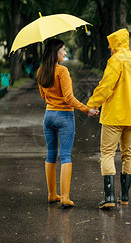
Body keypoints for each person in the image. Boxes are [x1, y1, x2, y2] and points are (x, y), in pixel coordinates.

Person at [87, 28, 131, 209]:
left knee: (107, 153)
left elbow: (106, 85)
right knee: (129, 153)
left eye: (110, 43)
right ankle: (124, 197)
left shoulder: (116, 60)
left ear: (116, 43)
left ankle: (109, 198)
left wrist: (93, 104)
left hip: (114, 116)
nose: (108, 47)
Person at [37, 38, 98, 208]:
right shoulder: (62, 71)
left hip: (48, 115)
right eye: (62, 50)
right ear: (55, 52)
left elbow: (43, 96)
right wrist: (87, 110)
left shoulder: (41, 71)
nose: (65, 52)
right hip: (64, 117)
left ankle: (51, 194)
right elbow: (69, 98)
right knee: (65, 156)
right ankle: (64, 197)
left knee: (50, 155)